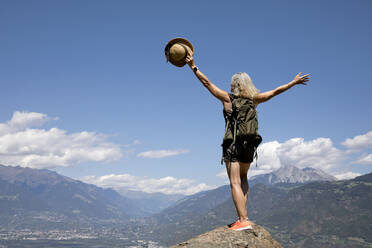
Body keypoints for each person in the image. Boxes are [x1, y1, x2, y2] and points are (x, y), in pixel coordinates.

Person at [185, 54, 310, 231]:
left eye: (231, 83)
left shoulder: (228, 98)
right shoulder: (255, 99)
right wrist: (293, 82)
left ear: (235, 85)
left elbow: (207, 83)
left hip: (233, 144)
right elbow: (275, 91)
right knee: (243, 178)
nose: (229, 85)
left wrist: (193, 67)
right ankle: (243, 216)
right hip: (250, 145)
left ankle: (242, 220)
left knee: (234, 182)